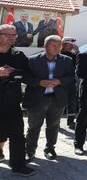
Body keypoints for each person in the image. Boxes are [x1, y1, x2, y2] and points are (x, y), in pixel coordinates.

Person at [23, 35, 75, 161]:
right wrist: (39, 82)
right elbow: (25, 78)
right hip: (38, 98)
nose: (57, 48)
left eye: (59, 46)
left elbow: (72, 77)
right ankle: (29, 150)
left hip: (57, 98)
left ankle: (50, 148)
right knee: (34, 126)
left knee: (53, 125)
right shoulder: (32, 60)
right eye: (54, 45)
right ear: (45, 46)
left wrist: (60, 81)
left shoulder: (66, 60)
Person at [0, 24, 35, 176]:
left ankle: (18, 165)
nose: (11, 37)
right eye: (7, 34)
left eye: (14, 35)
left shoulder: (18, 55)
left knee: (17, 135)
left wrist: (14, 72)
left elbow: (30, 75)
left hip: (12, 103)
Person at [60, 37, 79, 129]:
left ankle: (71, 121)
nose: (72, 46)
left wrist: (77, 52)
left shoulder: (73, 55)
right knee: (59, 102)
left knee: (71, 102)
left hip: (71, 81)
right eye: (70, 45)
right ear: (63, 44)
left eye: (73, 45)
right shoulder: (57, 54)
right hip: (59, 82)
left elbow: (79, 64)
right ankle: (56, 122)